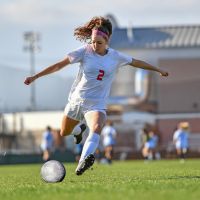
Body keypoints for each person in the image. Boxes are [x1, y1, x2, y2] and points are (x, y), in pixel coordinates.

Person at [24, 16, 168, 175]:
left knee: (97, 127)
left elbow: (137, 62)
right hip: (77, 101)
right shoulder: (84, 51)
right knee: (64, 132)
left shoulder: (115, 56)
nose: (95, 45)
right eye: (93, 41)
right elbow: (59, 65)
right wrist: (35, 76)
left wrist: (158, 70)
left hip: (96, 104)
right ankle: (78, 131)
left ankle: (82, 162)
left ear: (107, 41)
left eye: (99, 43)